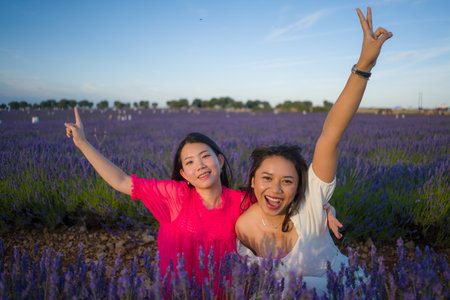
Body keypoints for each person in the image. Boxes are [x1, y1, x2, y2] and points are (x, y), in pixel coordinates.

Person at [64, 117, 341, 287]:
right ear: (183, 174)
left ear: (220, 161)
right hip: (181, 290)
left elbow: (276, 203)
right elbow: (123, 182)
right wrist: (83, 143)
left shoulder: (240, 202)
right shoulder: (174, 198)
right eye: (190, 162)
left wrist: (320, 209)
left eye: (205, 157)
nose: (200, 165)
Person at [235, 7, 392, 294]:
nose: (276, 189)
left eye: (287, 181)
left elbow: (330, 136)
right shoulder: (243, 226)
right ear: (252, 180)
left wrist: (364, 65)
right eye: (267, 178)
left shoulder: (310, 204)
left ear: (299, 186)